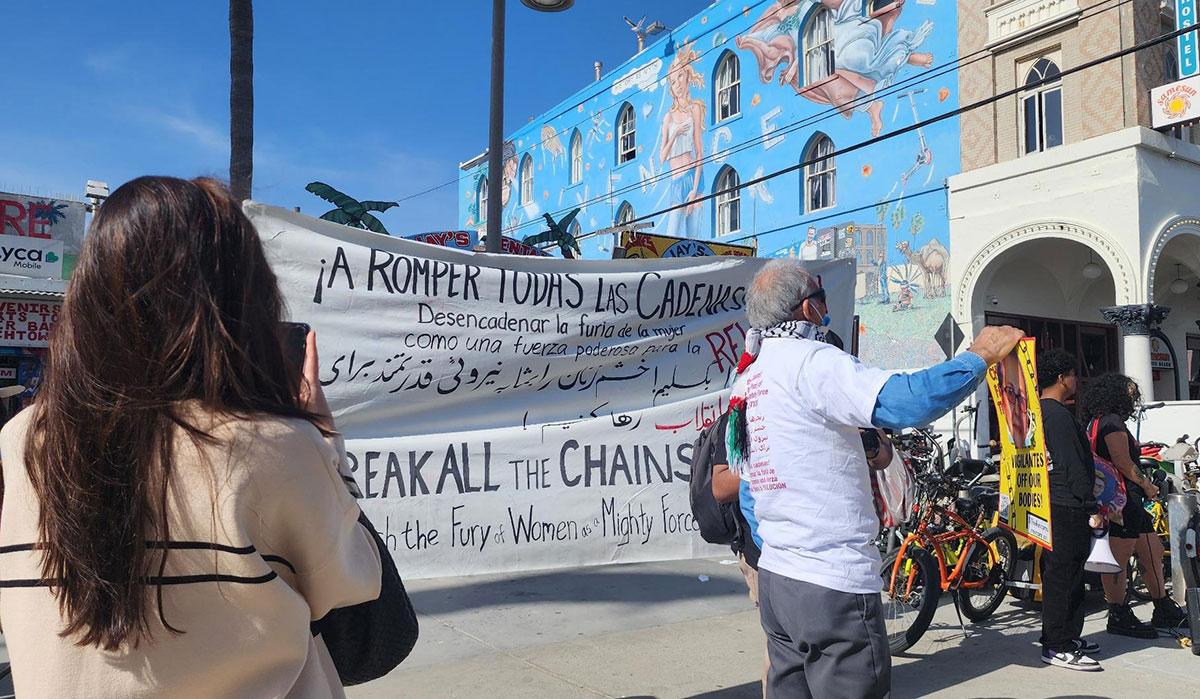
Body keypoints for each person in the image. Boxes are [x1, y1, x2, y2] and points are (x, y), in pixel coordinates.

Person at [0, 176, 382, 697]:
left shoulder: (23, 437)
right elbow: (353, 588)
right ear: (239, 302)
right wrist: (323, 439)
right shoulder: (273, 446)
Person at [725, 259, 1023, 698]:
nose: (826, 307)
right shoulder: (813, 362)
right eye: (821, 296)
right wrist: (978, 357)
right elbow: (906, 401)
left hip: (778, 580)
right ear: (808, 309)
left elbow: (751, 486)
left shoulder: (749, 377)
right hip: (830, 582)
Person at [1080, 373, 1189, 637]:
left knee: (1151, 547)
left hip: (1122, 499)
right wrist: (1148, 486)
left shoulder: (1098, 421)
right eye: (1130, 392)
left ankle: (1162, 605)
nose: (1134, 397)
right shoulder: (1112, 422)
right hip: (1123, 499)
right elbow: (1123, 461)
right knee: (1119, 557)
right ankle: (1118, 612)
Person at [1036, 350, 1102, 671]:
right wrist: (1091, 505)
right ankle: (1057, 645)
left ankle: (1065, 637)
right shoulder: (1057, 416)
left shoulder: (1038, 412)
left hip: (1053, 503)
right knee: (1063, 576)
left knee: (1070, 575)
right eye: (1074, 375)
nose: (1077, 380)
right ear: (1063, 377)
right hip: (1065, 505)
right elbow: (1071, 464)